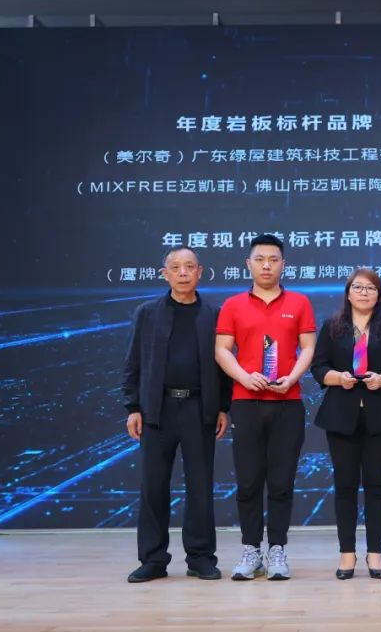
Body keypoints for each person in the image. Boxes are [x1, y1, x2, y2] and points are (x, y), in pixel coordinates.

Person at [122, 245, 231, 583]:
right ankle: (153, 559)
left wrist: (223, 407)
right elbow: (133, 362)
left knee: (200, 486)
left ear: (200, 272)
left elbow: (225, 365)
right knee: (153, 486)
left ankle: (200, 557)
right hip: (157, 410)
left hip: (200, 408)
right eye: (176, 267)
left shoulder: (214, 314)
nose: (183, 273)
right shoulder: (147, 313)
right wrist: (133, 407)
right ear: (164, 274)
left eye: (189, 267)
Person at [215, 234, 316, 580]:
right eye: (260, 259)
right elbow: (222, 350)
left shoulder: (300, 302)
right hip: (246, 402)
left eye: (273, 259)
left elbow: (308, 348)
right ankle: (251, 550)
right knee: (248, 481)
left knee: (281, 481)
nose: (267, 266)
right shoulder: (233, 305)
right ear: (249, 264)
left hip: (288, 402)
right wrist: (245, 377)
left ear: (283, 264)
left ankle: (277, 550)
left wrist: (291, 378)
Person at [312, 269, 381, 580]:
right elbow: (318, 367)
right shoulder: (333, 326)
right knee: (345, 487)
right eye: (358, 287)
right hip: (341, 415)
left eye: (370, 288)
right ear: (348, 293)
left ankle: (375, 554)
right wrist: (337, 378)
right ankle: (347, 554)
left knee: (377, 487)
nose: (364, 292)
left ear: (379, 295)